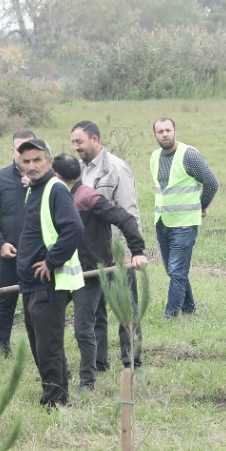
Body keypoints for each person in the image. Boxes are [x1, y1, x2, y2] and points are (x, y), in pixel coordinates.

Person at [54, 154, 147, 390]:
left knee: (83, 329)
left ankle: (88, 381)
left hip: (89, 274)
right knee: (49, 323)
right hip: (63, 271)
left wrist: (136, 250)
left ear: (57, 176)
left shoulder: (86, 196)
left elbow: (124, 217)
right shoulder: (57, 197)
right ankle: (60, 371)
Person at [17, 139, 83, 407]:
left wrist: (51, 261)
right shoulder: (34, 189)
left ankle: (55, 402)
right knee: (39, 345)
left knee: (48, 347)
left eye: (37, 160)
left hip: (48, 282)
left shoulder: (55, 189)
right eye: (26, 161)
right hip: (31, 283)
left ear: (49, 161)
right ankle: (56, 395)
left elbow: (74, 228)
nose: (31, 166)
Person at [71, 120, 142, 368]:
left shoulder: (116, 168)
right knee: (96, 309)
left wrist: (129, 251)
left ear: (95, 139)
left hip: (116, 250)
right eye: (73, 142)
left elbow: (128, 211)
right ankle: (99, 361)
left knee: (125, 308)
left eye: (79, 141)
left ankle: (131, 361)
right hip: (92, 251)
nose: (76, 146)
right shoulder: (78, 170)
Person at [149, 118, 218, 318]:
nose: (165, 134)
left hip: (185, 223)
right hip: (162, 221)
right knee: (172, 271)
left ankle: (170, 315)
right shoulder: (154, 156)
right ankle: (189, 308)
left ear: (175, 131)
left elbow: (212, 183)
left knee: (177, 271)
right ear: (155, 135)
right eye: (160, 131)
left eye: (168, 130)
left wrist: (202, 206)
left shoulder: (189, 155)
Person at [0, 129, 39, 355]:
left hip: (39, 255)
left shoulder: (49, 179)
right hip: (10, 253)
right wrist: (0, 243)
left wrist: (36, 183)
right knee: (6, 300)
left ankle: (40, 347)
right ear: (12, 150)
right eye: (19, 149)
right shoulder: (0, 178)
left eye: (29, 149)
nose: (23, 154)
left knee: (37, 303)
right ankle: (1, 348)